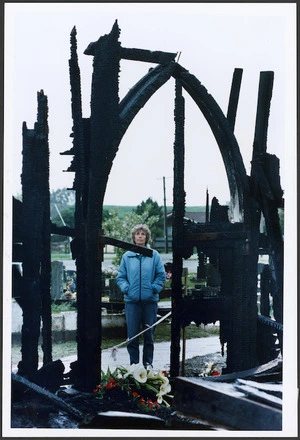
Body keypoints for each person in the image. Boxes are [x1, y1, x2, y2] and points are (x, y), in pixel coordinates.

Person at [116, 224, 166, 367]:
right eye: (137, 234)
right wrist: (127, 289)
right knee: (133, 336)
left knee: (148, 335)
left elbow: (161, 276)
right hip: (132, 302)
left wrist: (153, 288)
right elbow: (121, 277)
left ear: (146, 237)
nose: (140, 236)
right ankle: (134, 365)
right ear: (133, 237)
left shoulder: (154, 255)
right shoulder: (127, 256)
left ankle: (148, 364)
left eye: (142, 234)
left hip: (150, 302)